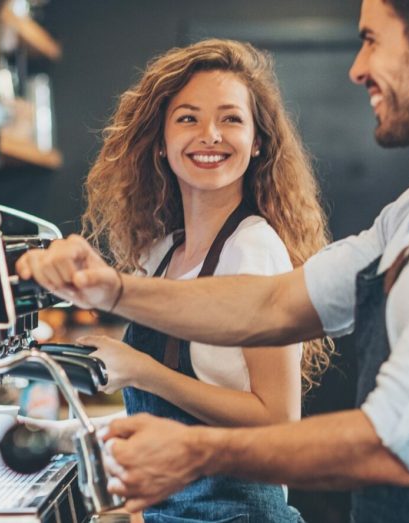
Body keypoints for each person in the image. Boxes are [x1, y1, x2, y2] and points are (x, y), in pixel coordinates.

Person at [16, 0, 409, 521]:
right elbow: (273, 302)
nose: (358, 68)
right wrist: (109, 289)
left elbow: (391, 446)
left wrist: (194, 449)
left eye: (370, 41)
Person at [22, 39, 331, 523]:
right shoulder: (161, 252)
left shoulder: (252, 248)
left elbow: (277, 419)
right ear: (162, 143)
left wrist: (142, 370)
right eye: (188, 118)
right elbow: (165, 420)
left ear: (256, 142)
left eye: (230, 119)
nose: (210, 135)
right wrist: (59, 434)